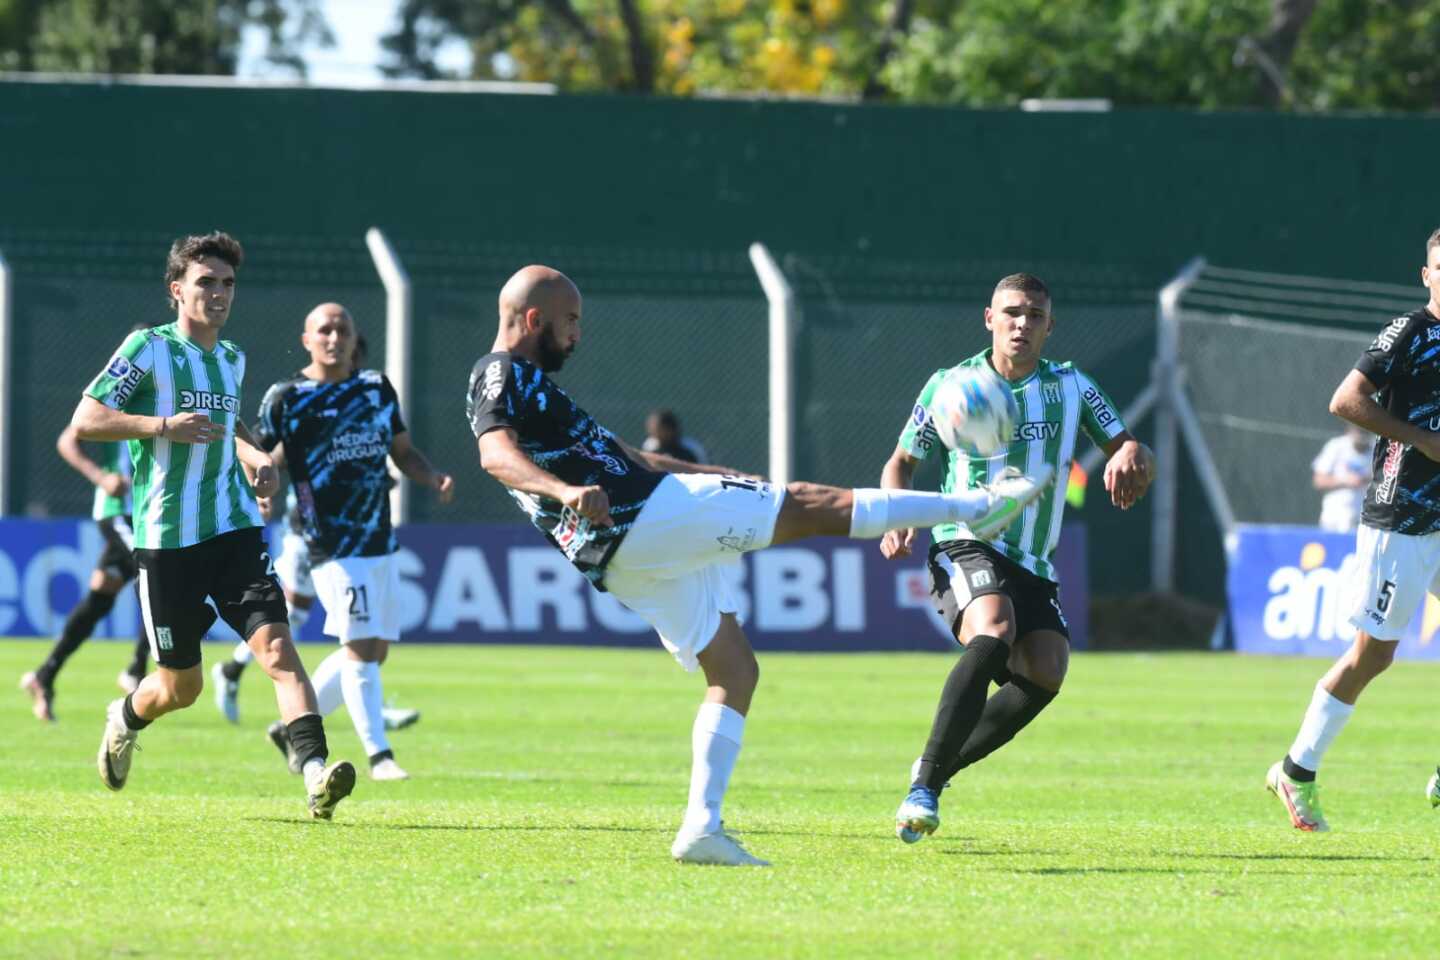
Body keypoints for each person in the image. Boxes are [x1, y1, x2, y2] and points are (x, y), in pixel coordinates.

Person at [467, 265, 1055, 866]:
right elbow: (494, 454)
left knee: (734, 669)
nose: (577, 335)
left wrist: (723, 479)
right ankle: (976, 504)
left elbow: (632, 457)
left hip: (618, 556)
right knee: (808, 505)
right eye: (570, 322)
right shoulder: (499, 373)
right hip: (639, 519)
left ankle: (701, 828)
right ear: (534, 320)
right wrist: (563, 492)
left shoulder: (541, 390)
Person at [73, 231, 355, 820]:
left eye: (227, 283)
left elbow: (230, 427)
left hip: (234, 530)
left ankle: (314, 774)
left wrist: (259, 462)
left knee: (278, 647)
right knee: (182, 687)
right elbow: (87, 419)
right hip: (167, 540)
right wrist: (161, 426)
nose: (219, 293)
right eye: (206, 282)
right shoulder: (148, 349)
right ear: (177, 290)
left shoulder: (231, 358)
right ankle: (124, 719)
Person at [887, 273, 1156, 844]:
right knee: (995, 629)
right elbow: (901, 463)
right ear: (989, 318)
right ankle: (925, 788)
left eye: (1035, 316)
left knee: (1046, 672)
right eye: (1012, 312)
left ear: (1049, 326)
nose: (1022, 324)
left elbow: (1127, 444)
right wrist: (898, 513)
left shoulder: (1073, 386)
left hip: (1034, 558)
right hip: (964, 538)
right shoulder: (951, 386)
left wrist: (1134, 454)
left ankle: (933, 770)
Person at [1267, 228, 1440, 832]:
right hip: (1402, 520)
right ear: (1427, 275)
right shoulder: (1410, 334)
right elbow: (1345, 400)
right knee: (1373, 657)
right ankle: (1296, 769)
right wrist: (1422, 439)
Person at [254, 303, 453, 782]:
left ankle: (291, 727)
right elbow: (260, 454)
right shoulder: (287, 397)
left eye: (342, 328)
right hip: (329, 542)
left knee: (371, 650)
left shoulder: (375, 388)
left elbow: (402, 452)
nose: (334, 337)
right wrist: (260, 487)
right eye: (324, 329)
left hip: (378, 538)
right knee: (360, 648)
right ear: (306, 339)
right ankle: (379, 757)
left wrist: (432, 476)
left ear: (354, 337)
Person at [211, 334, 422, 734]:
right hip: (310, 527)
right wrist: (264, 482)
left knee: (334, 624)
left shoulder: (361, 396)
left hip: (349, 531)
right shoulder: (300, 400)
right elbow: (276, 453)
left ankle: (239, 670)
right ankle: (238, 670)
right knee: (316, 619)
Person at [19, 371, 154, 722]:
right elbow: (68, 440)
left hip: (146, 513)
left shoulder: (163, 399)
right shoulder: (112, 399)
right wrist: (101, 477)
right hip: (119, 512)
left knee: (99, 599)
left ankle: (44, 675)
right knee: (156, 575)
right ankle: (137, 670)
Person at [1312, 423, 1373, 532]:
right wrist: (1345, 481)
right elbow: (1319, 481)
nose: (1362, 434)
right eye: (1359, 430)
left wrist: (1367, 478)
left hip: (1364, 520)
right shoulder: (1336, 446)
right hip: (1334, 517)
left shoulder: (1376, 450)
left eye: (1365, 430)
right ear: (1350, 429)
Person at [643, 409, 709, 464]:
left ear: (670, 429)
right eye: (651, 428)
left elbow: (703, 468)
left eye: (657, 429)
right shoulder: (650, 445)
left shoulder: (691, 447)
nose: (651, 431)